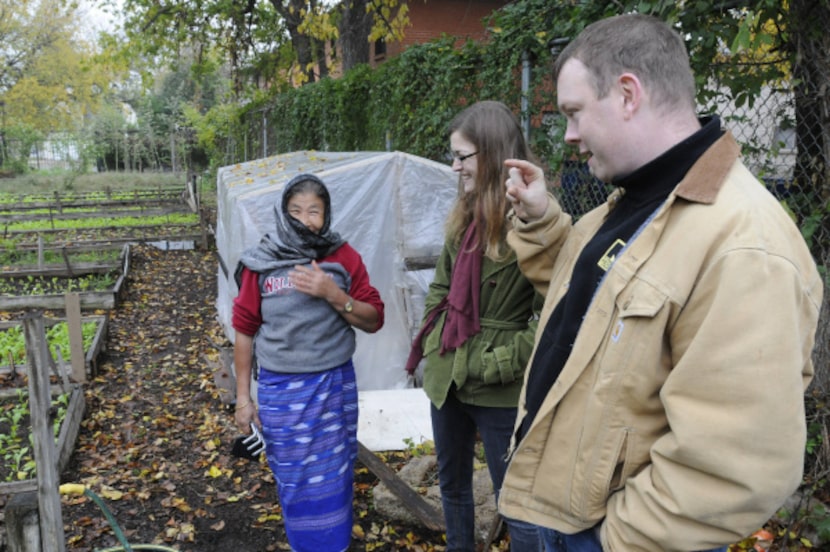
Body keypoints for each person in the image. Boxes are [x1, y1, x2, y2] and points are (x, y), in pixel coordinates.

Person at [497, 14, 824, 552]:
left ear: (628, 94)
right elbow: (593, 308)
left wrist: (614, 541)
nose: (570, 135)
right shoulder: (634, 202)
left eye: (575, 113)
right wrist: (539, 223)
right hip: (550, 514)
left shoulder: (744, 244)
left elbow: (735, 464)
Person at [406, 100, 542, 551]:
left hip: (500, 383)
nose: (454, 166)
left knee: (516, 501)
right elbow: (439, 290)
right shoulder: (463, 218)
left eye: (462, 155)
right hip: (449, 374)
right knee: (454, 489)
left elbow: (553, 313)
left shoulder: (534, 219)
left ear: (491, 154)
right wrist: (433, 347)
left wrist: (502, 361)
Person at [232, 173, 385, 552]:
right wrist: (242, 398)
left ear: (326, 213)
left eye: (314, 211)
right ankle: (306, 544)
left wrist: (333, 294)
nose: (305, 220)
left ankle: (333, 545)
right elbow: (244, 331)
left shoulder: (341, 257)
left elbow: (374, 318)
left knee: (333, 476)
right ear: (283, 214)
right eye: (296, 210)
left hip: (333, 389)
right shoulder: (262, 262)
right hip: (281, 393)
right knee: (295, 476)